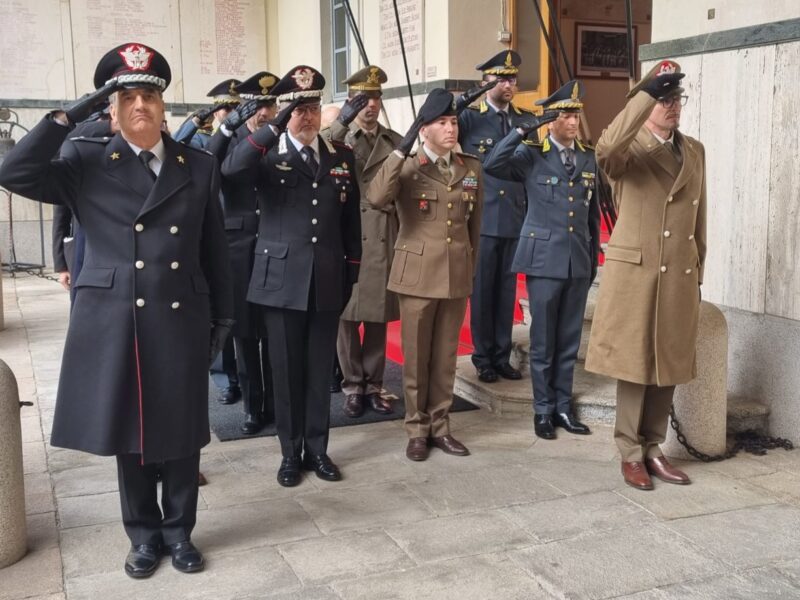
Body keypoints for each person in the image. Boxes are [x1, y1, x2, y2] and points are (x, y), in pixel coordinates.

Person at [0, 42, 233, 577]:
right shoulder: (84, 160)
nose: (139, 107)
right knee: (132, 432)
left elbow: (213, 248)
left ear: (163, 106)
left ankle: (180, 532)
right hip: (117, 317)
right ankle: (144, 536)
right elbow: (14, 173)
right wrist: (65, 118)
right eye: (126, 97)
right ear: (110, 107)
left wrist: (225, 316)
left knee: (180, 431)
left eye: (149, 96)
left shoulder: (196, 165)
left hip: (179, 313)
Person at [221, 65, 361, 486]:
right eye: (297, 108)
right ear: (282, 112)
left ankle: (317, 449)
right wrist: (272, 126)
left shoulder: (340, 155)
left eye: (313, 107)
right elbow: (230, 171)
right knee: (284, 371)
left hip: (326, 279)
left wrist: (350, 271)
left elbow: (350, 221)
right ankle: (288, 453)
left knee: (319, 372)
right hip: (279, 282)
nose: (307, 116)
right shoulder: (266, 153)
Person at [585, 60, 706, 490]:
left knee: (667, 363)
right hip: (637, 273)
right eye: (664, 99)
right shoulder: (628, 150)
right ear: (646, 103)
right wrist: (645, 94)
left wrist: (698, 271)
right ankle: (630, 453)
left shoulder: (693, 150)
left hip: (678, 271)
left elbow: (699, 218)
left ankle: (655, 448)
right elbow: (605, 148)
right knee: (635, 366)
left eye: (676, 98)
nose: (673, 106)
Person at [368, 89, 483, 461]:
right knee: (416, 358)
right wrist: (399, 150)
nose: (451, 129)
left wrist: (470, 267)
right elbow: (376, 198)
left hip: (455, 273)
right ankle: (417, 429)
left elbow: (474, 227)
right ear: (424, 130)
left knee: (446, 356)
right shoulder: (406, 165)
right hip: (416, 275)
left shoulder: (470, 167)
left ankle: (441, 425)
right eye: (441, 123)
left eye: (453, 122)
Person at [483, 80, 599, 440]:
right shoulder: (531, 155)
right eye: (565, 115)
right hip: (543, 258)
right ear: (550, 120)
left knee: (568, 341)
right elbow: (492, 163)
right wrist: (522, 130)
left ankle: (564, 406)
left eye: (575, 114)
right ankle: (543, 409)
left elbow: (592, 215)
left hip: (577, 259)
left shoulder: (588, 156)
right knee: (544, 340)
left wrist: (592, 260)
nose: (572, 121)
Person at [324, 66, 402, 418]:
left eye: (376, 98)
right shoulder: (337, 137)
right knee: (346, 315)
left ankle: (373, 384)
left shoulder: (394, 140)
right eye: (364, 98)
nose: (371, 105)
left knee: (377, 316)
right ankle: (352, 384)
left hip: (384, 231)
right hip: (347, 231)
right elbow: (321, 149)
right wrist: (344, 118)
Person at [208, 71, 280, 434]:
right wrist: (225, 128)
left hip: (276, 244)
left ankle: (277, 402)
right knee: (247, 334)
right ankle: (253, 406)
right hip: (238, 247)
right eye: (258, 104)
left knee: (275, 331)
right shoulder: (230, 138)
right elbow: (208, 167)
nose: (266, 112)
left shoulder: (282, 138)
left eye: (271, 103)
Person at [458, 50, 535, 384]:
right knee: (483, 290)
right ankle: (483, 356)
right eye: (501, 78)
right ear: (485, 82)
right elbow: (437, 122)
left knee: (506, 291)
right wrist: (465, 99)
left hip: (515, 215)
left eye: (512, 78)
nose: (509, 84)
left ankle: (502, 355)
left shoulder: (525, 120)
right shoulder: (471, 119)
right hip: (484, 217)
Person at [173, 78, 241, 148]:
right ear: (215, 113)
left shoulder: (246, 135)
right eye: (227, 109)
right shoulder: (202, 139)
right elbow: (175, 146)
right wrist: (196, 121)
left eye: (236, 107)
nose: (233, 112)